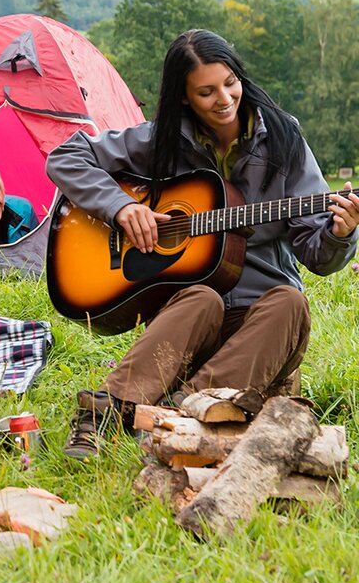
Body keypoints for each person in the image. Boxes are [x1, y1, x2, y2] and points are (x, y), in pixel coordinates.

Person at [46, 29, 359, 460]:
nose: (225, 99)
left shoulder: (285, 141)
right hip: (189, 320)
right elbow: (65, 157)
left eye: (230, 82)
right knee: (202, 296)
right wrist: (121, 207)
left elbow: (317, 256)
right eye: (207, 92)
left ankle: (181, 416)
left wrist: (339, 235)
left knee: (290, 301)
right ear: (183, 98)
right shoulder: (163, 141)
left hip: (261, 328)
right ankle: (104, 412)